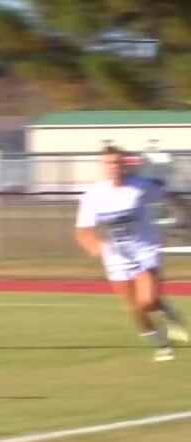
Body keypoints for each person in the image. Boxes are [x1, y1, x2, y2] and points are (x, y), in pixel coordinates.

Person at [74, 145, 191, 361]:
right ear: (102, 166)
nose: (113, 167)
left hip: (144, 250)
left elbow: (168, 194)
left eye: (117, 162)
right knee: (134, 308)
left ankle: (167, 312)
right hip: (116, 257)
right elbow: (83, 230)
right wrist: (93, 245)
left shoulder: (139, 187)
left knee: (146, 300)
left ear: (124, 165)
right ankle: (162, 345)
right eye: (109, 163)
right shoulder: (93, 195)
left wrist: (185, 213)